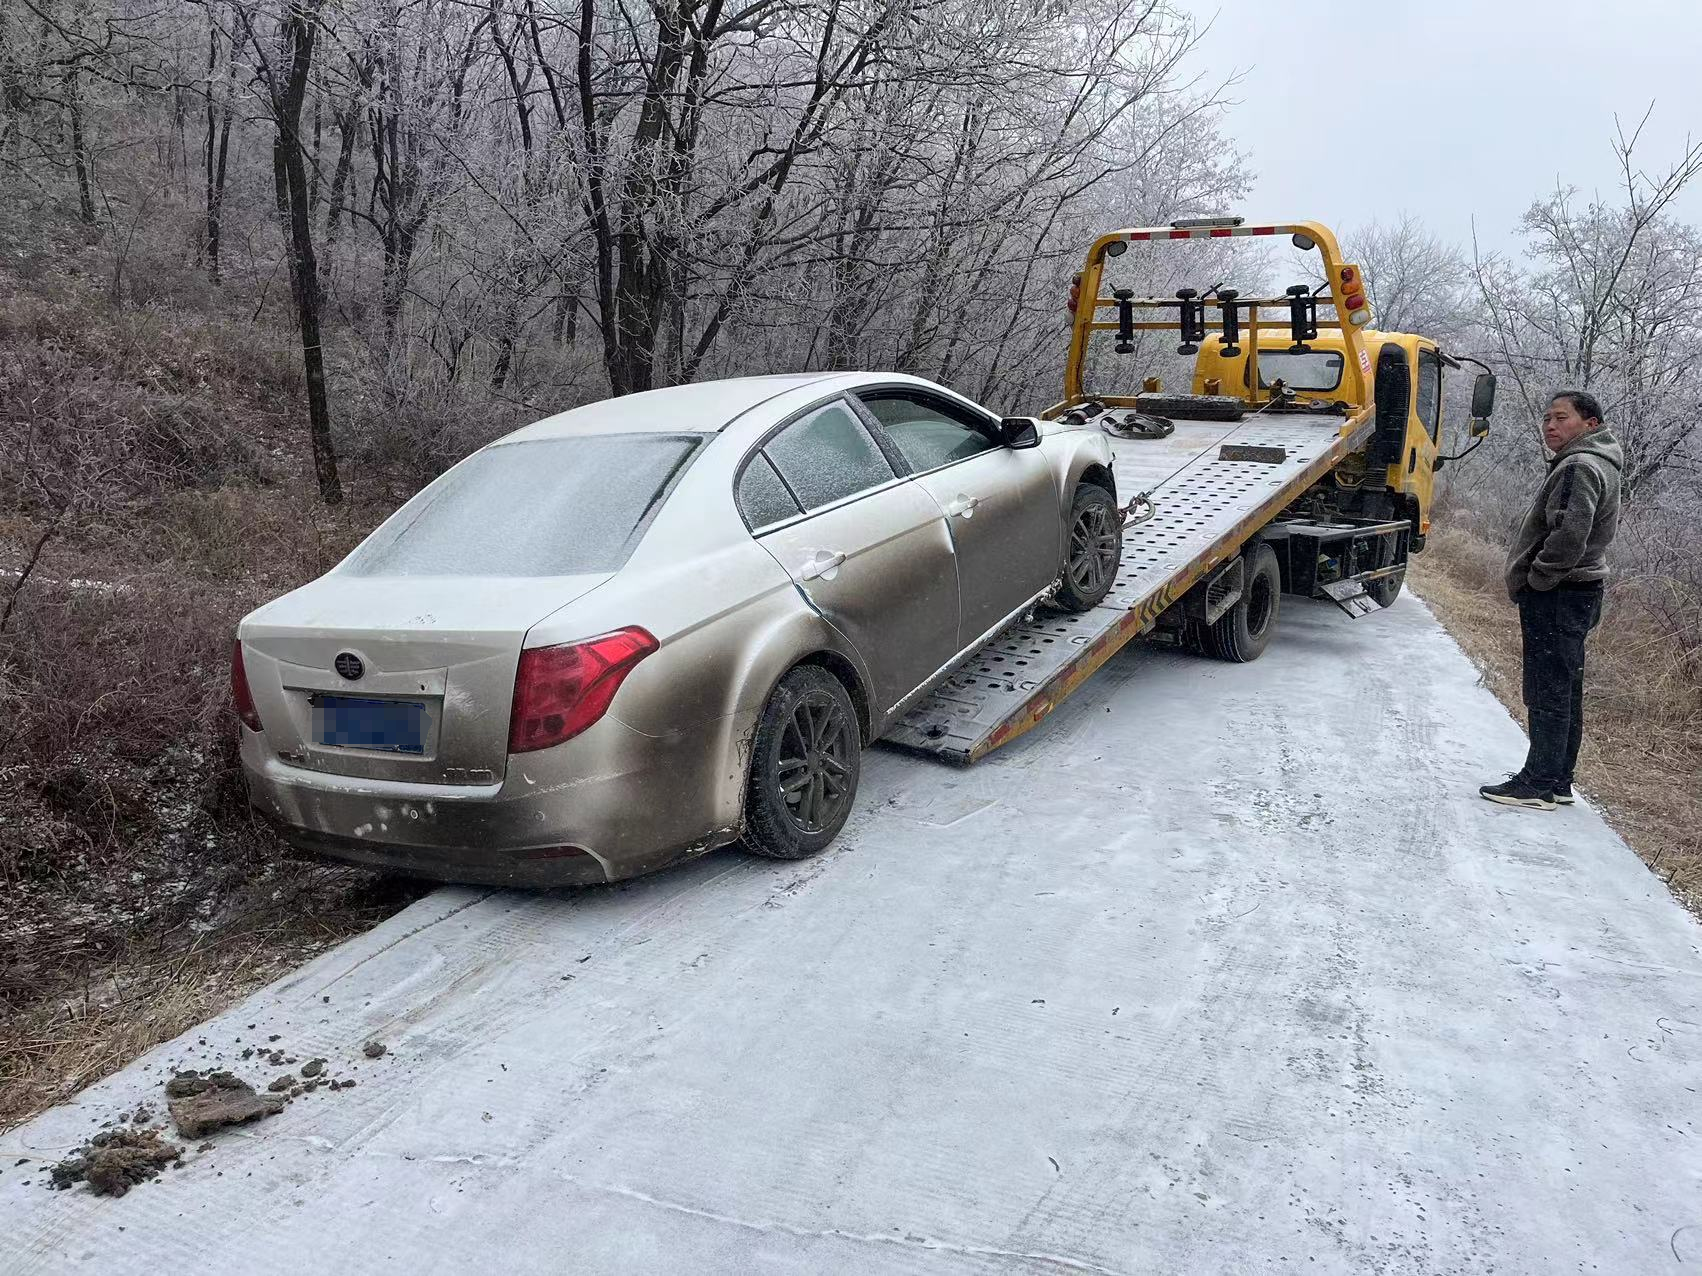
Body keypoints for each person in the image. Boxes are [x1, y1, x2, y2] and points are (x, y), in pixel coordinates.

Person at [1480, 391, 1623, 810]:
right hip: (1579, 591)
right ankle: (1558, 780)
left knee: (1547, 689)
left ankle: (1537, 783)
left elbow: (1568, 534)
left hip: (1560, 592)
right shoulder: (1600, 461)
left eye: (1561, 418)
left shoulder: (1579, 466)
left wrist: (1538, 579)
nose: (1550, 426)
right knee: (1565, 686)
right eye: (1546, 419)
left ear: (1590, 424)